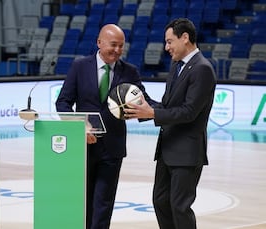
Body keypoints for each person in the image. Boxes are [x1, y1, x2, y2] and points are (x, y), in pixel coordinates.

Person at [55, 24, 156, 229]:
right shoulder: (79, 66)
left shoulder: (130, 71)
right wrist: (78, 126)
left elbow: (144, 102)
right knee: (83, 201)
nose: (117, 50)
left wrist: (168, 112)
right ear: (99, 43)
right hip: (83, 147)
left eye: (121, 46)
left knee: (103, 204)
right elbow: (63, 102)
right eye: (113, 45)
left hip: (113, 148)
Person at [124, 18, 217, 229]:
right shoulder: (176, 66)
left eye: (169, 41)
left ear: (185, 38)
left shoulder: (202, 69)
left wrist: (153, 112)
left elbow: (189, 112)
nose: (166, 48)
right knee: (160, 201)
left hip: (187, 152)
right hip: (167, 148)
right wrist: (143, 108)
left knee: (179, 206)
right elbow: (168, 106)